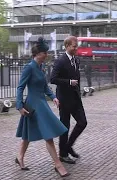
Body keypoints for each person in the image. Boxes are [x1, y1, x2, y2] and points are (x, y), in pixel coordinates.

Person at [15, 37, 70, 177]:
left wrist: (54, 97)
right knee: (49, 135)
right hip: (33, 104)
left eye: (46, 52)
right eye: (45, 52)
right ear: (37, 54)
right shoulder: (29, 68)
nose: (47, 55)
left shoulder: (41, 67)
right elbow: (20, 87)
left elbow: (45, 86)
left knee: (27, 134)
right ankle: (58, 164)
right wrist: (19, 106)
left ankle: (20, 157)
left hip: (41, 103)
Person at [50, 36, 88, 164]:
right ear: (67, 46)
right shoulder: (60, 61)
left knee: (82, 122)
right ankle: (63, 154)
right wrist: (68, 82)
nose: (76, 48)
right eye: (74, 46)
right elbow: (53, 79)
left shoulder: (76, 60)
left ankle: (68, 146)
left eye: (76, 45)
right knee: (65, 127)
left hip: (75, 98)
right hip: (64, 99)